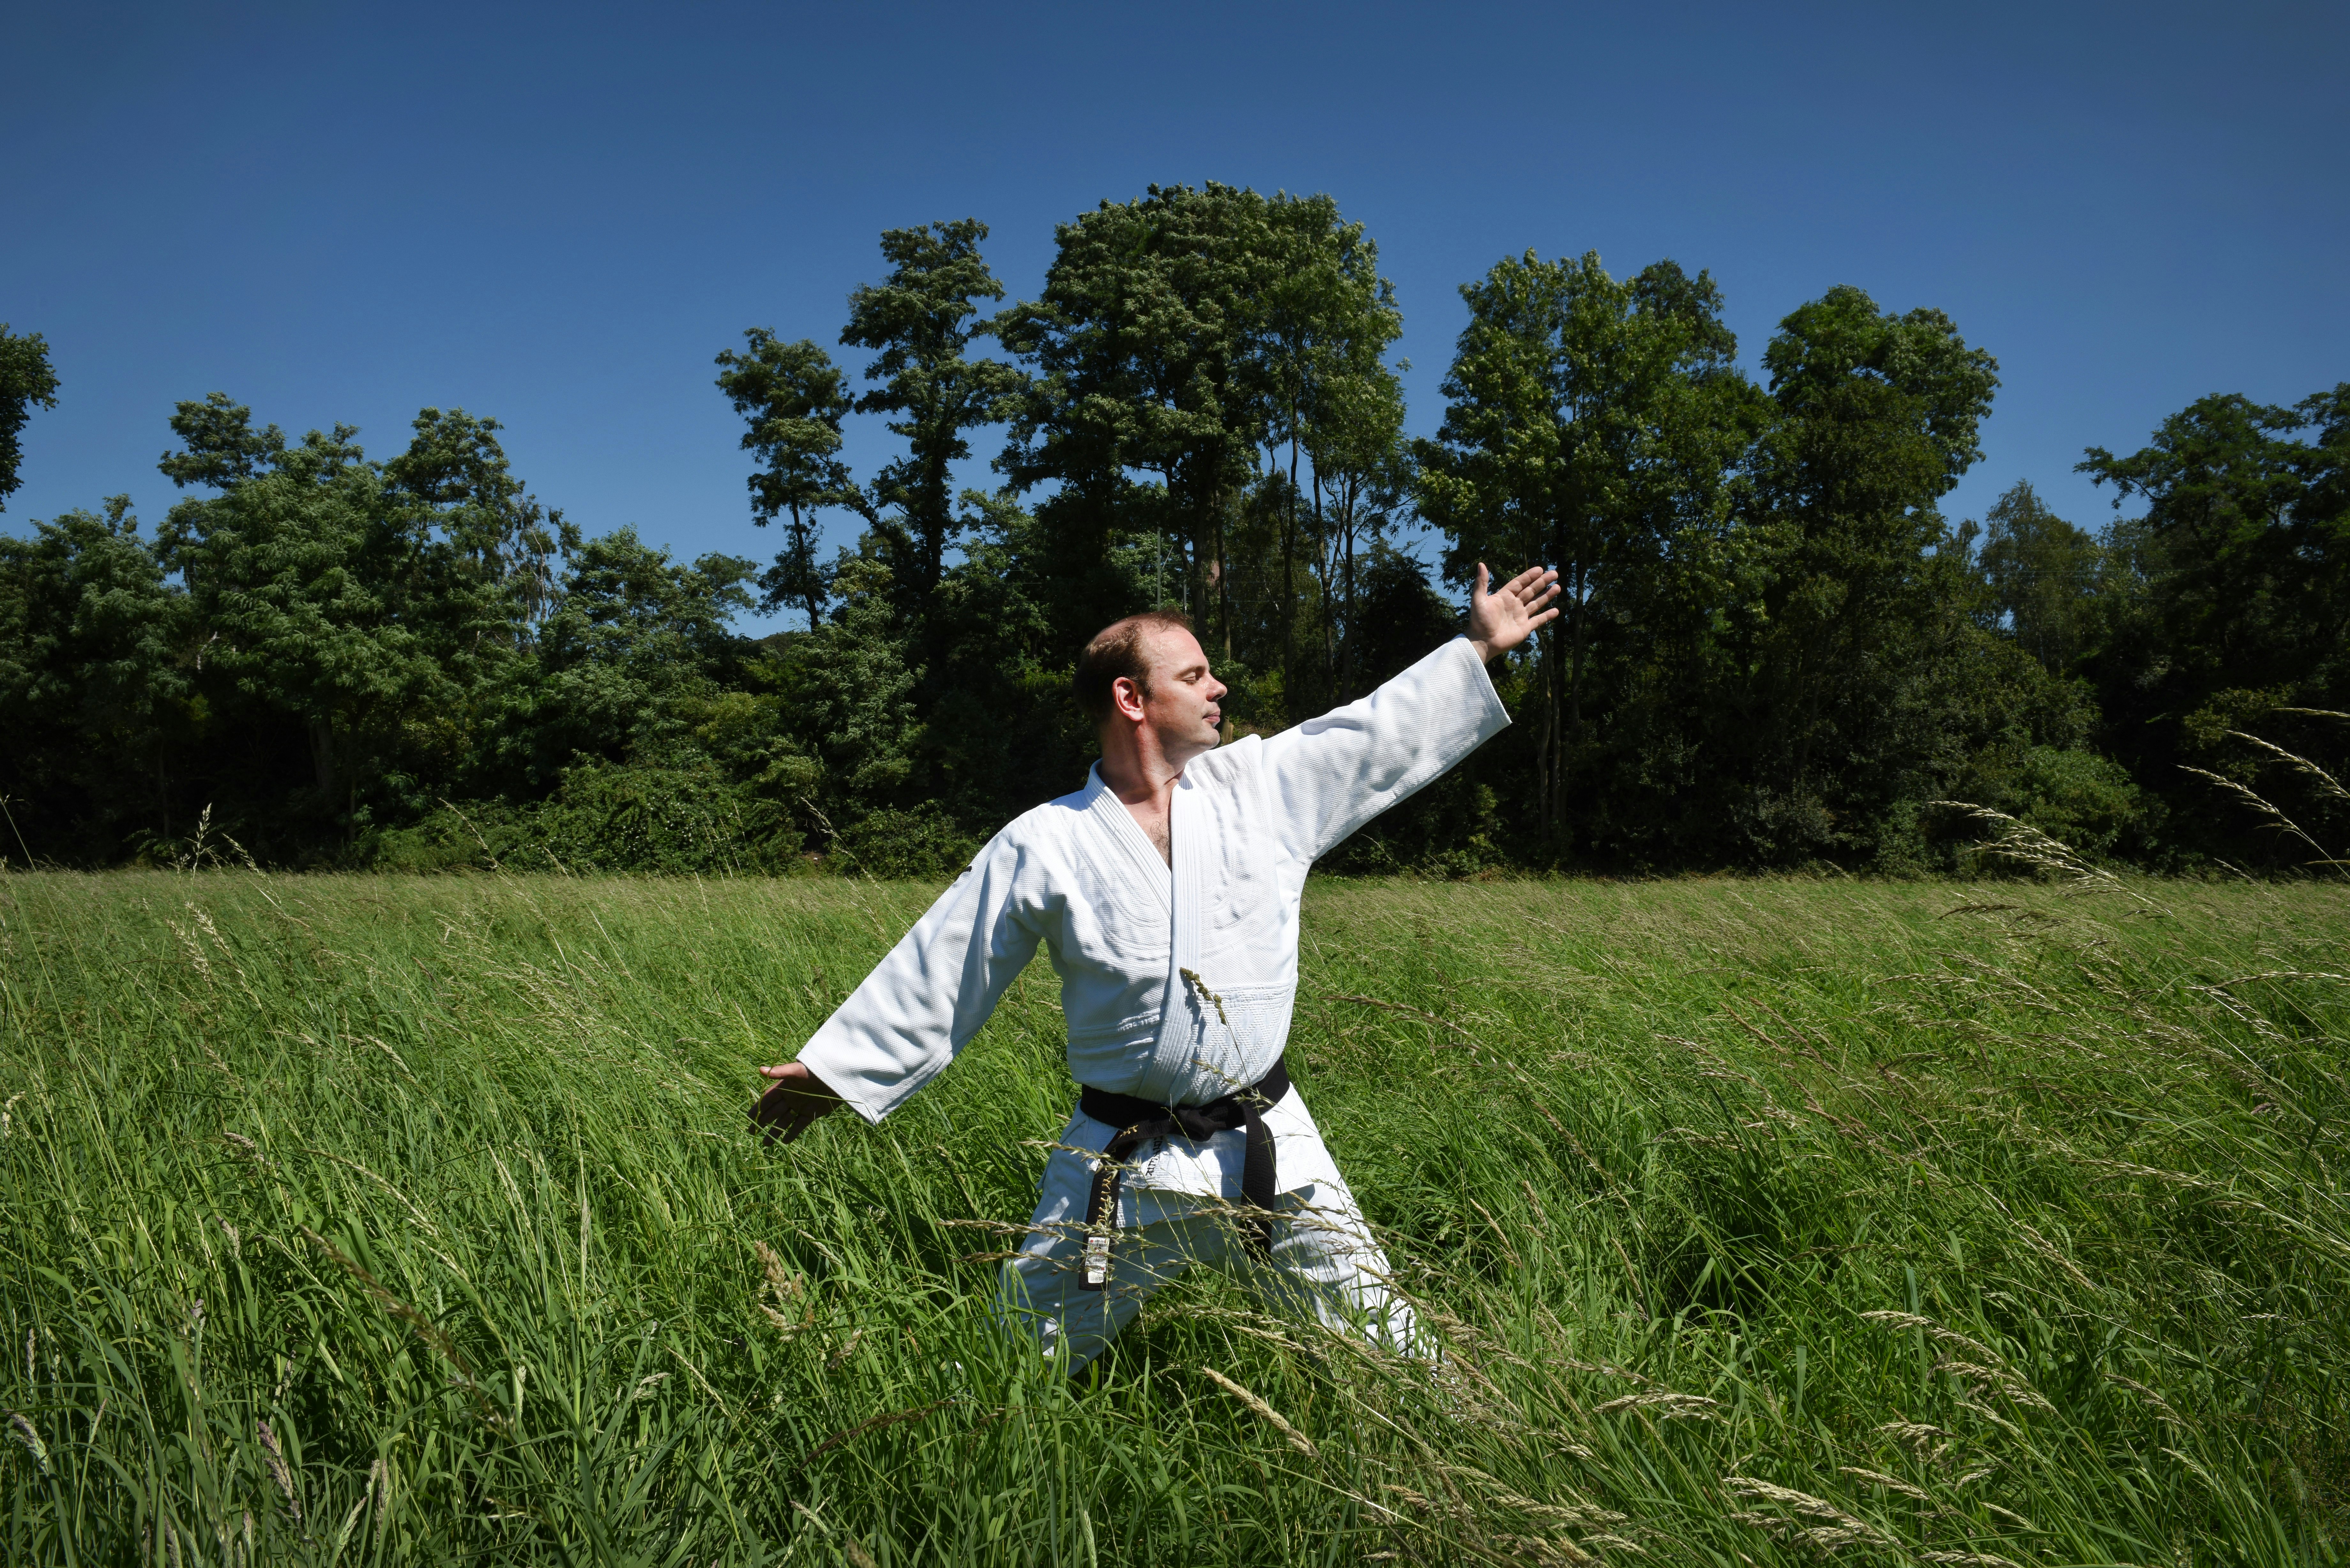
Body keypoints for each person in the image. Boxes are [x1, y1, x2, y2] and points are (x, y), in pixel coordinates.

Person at [751, 563, 1561, 1371]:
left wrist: (1475, 648)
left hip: (1268, 1138)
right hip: (1119, 1157)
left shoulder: (1261, 788)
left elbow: (1370, 732)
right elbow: (949, 960)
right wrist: (838, 1069)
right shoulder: (1046, 838)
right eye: (1194, 674)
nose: (1219, 686)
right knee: (1013, 1368)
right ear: (1130, 698)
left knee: (1399, 1353)